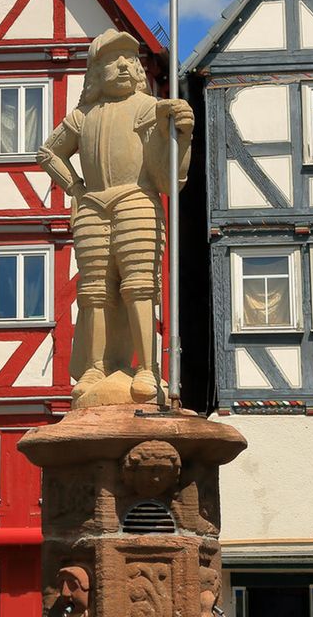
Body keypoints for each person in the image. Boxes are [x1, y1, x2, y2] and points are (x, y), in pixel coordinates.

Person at [37, 29, 192, 403]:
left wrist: (182, 135)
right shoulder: (81, 116)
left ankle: (147, 370)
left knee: (140, 286)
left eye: (129, 59)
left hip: (136, 198)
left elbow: (167, 178)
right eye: (112, 59)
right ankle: (95, 366)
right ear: (95, 70)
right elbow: (47, 153)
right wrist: (74, 187)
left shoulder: (147, 107)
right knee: (93, 292)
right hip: (93, 205)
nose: (123, 65)